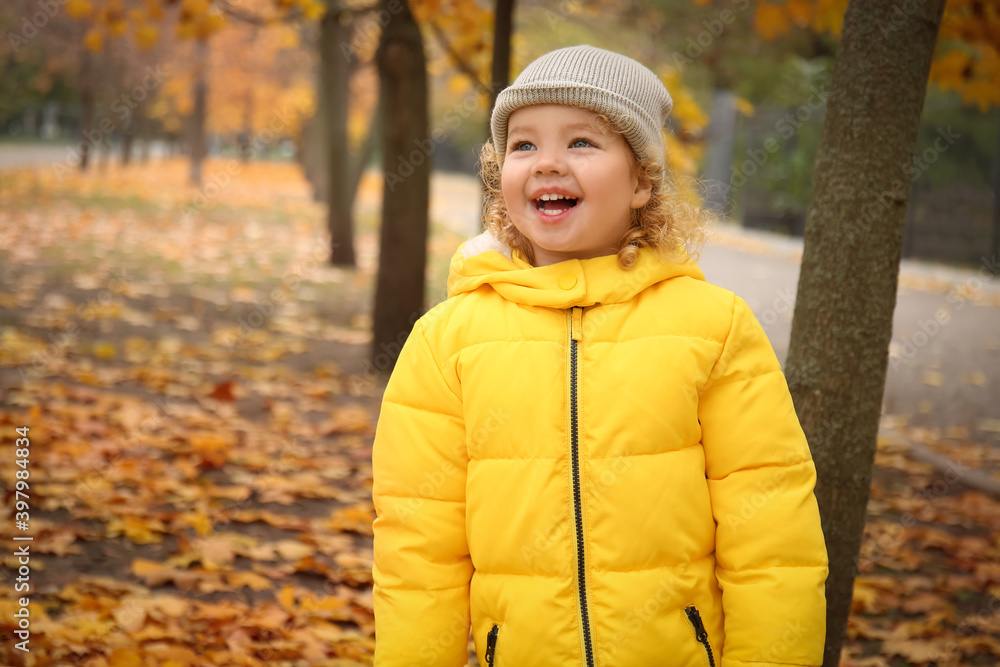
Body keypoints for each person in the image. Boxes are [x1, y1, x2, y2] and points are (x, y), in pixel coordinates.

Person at [371, 44, 828, 667]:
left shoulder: (713, 329)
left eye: (582, 143)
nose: (547, 163)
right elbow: (418, 552)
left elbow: (773, 538)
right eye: (524, 145)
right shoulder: (447, 340)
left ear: (642, 179)